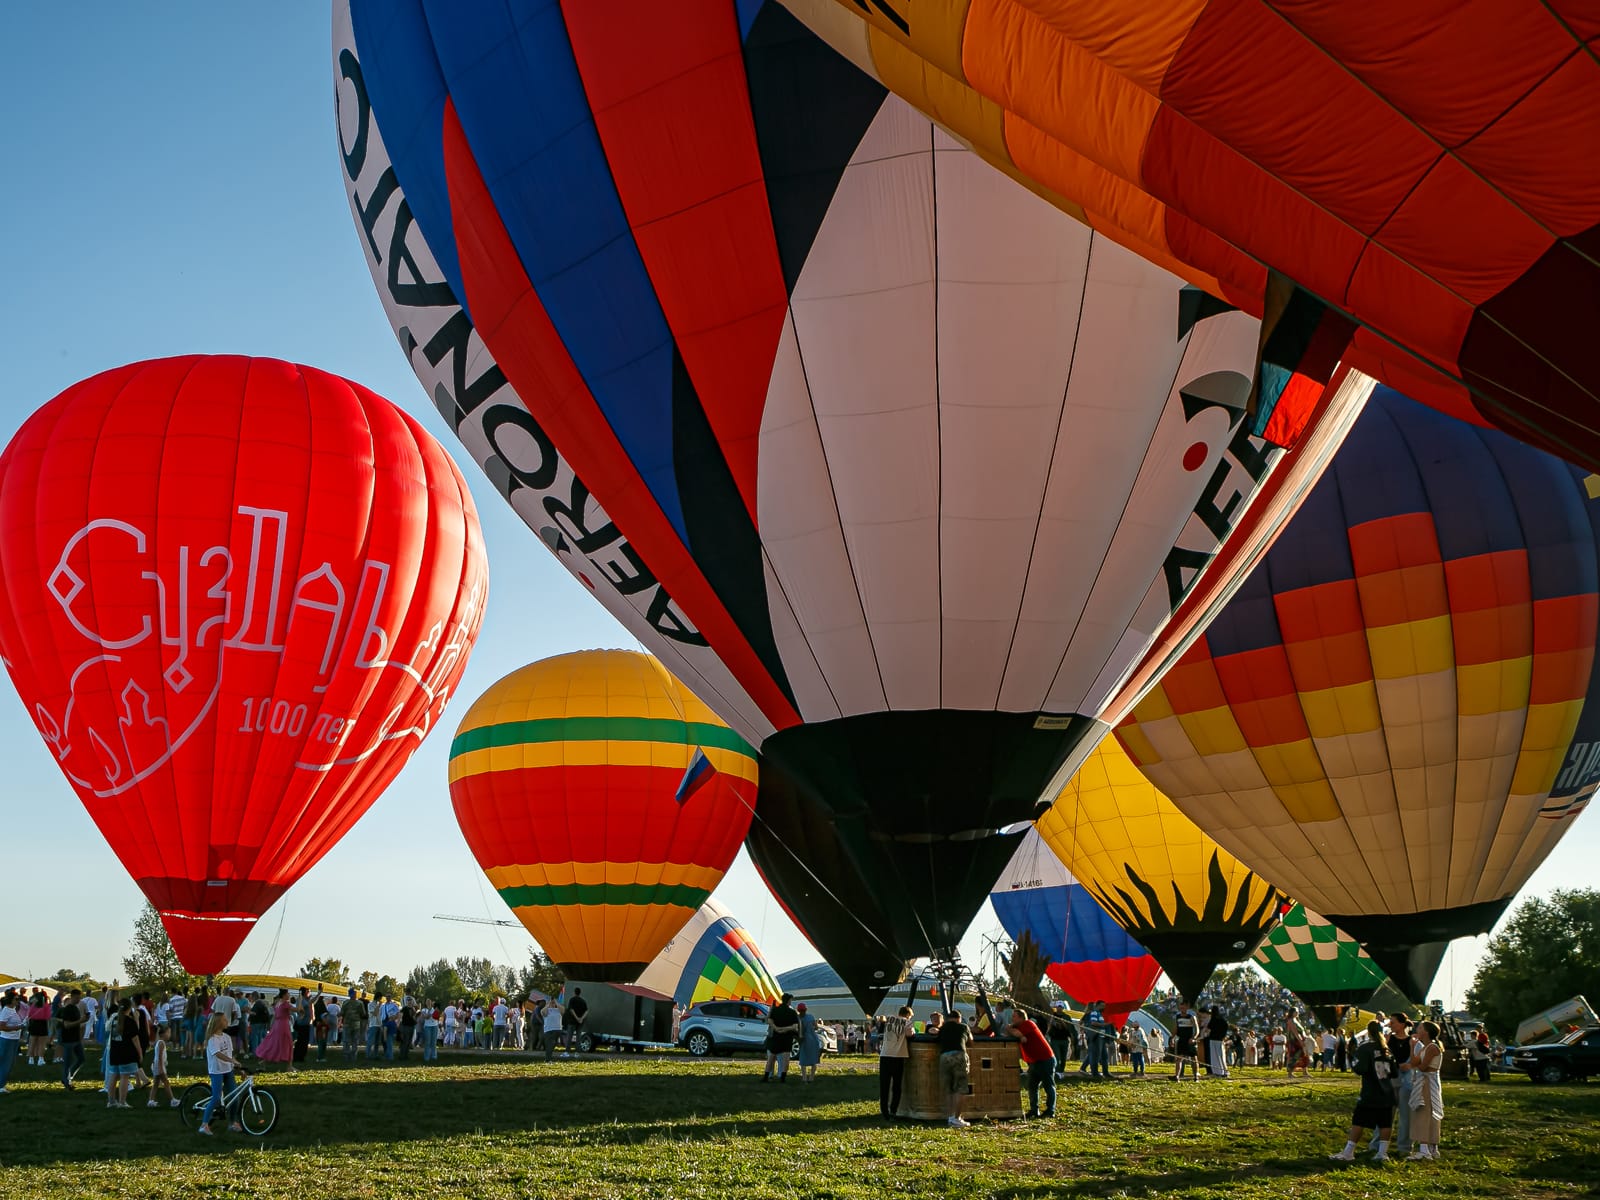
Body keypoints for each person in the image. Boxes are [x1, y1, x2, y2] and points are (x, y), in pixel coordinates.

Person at [1330, 1021, 1396, 1162]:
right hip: (1386, 1091)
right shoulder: (1386, 1049)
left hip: (1370, 1091)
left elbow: (1360, 1068)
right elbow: (1394, 1072)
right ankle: (1382, 1153)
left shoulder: (1366, 1048)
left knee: (1358, 1121)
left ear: (1369, 1032)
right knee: (1385, 1123)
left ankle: (1349, 1152)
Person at [1405, 1020, 1445, 1161]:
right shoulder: (1425, 1047)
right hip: (1424, 1081)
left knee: (1425, 1112)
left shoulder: (1432, 1047)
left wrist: (1414, 1066)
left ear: (1426, 1032)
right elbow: (1414, 1062)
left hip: (1428, 1082)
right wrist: (1412, 1046)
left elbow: (1422, 1067)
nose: (1417, 1029)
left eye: (1420, 1027)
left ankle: (1425, 1149)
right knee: (1423, 1112)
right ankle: (1429, 1148)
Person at [197, 1012, 242, 1136]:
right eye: (224, 1020)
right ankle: (204, 1124)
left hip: (228, 1070)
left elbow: (229, 1055)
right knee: (216, 1097)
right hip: (216, 1071)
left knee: (234, 1097)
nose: (227, 1021)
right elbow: (218, 1054)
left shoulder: (226, 1037)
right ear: (218, 1023)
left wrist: (238, 1065)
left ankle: (233, 1122)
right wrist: (231, 1060)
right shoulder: (212, 1039)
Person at [1009, 1008, 1056, 1119]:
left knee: (1048, 1086)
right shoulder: (1020, 1027)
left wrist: (1016, 1033)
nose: (1012, 1018)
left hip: (1045, 1059)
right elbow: (1015, 1033)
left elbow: (1016, 1033)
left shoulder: (1028, 1024)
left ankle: (1050, 1111)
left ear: (1021, 1017)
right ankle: (1034, 1110)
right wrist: (1018, 1034)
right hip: (1034, 1061)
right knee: (1032, 1086)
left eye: (1014, 1016)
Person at [1386, 1013, 1417, 1157]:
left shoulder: (1412, 1041)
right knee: (1386, 1113)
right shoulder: (1388, 1039)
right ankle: (1378, 1144)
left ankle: (1404, 1146)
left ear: (1402, 1024)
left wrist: (1410, 1064)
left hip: (1406, 1078)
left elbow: (1418, 1060)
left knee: (1405, 1114)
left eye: (1393, 1022)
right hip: (1391, 1076)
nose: (1390, 1025)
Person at [936, 1009, 973, 1128]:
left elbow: (938, 1040)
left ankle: (950, 1116)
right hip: (959, 1055)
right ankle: (957, 1118)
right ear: (959, 1018)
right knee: (960, 1088)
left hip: (944, 1057)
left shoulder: (943, 1028)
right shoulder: (963, 1027)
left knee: (948, 1088)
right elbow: (971, 1042)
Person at [104, 998, 143, 1109]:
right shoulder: (130, 1021)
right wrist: (139, 1053)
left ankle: (111, 1101)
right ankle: (122, 1102)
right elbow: (135, 1039)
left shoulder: (115, 1019)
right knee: (124, 1077)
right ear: (129, 1008)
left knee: (113, 1076)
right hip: (126, 1052)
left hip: (115, 1051)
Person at [878, 1004, 913, 1119]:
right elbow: (910, 1034)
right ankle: (893, 1109)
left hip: (885, 1055)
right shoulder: (907, 1022)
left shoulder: (889, 1018)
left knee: (884, 1085)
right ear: (908, 1015)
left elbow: (880, 1026)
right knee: (897, 1085)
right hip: (899, 1055)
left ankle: (884, 1111)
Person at [255, 989, 296, 1070]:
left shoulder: (278, 1003)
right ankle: (289, 1066)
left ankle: (264, 1062)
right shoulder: (285, 1004)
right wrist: (301, 1000)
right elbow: (297, 1009)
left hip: (277, 1025)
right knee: (288, 1044)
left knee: (274, 1044)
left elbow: (275, 1016)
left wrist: (271, 1025)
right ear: (284, 995)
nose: (289, 995)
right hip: (283, 1026)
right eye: (288, 994)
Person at [764, 993, 801, 1082]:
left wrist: (777, 1028)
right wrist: (785, 1029)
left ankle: (766, 1076)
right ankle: (783, 1077)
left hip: (776, 1036)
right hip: (787, 1037)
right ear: (789, 1001)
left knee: (771, 1057)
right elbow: (795, 1026)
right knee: (786, 1058)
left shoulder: (775, 1010)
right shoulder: (792, 1012)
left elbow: (769, 1020)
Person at [57, 988, 86, 1090]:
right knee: (67, 1062)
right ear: (72, 997)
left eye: (80, 997)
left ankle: (69, 1076)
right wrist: (80, 1021)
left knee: (81, 1058)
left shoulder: (75, 1008)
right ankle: (66, 1080)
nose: (79, 1000)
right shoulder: (68, 1009)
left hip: (76, 1038)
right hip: (68, 1039)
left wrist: (84, 1019)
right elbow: (67, 1025)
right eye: (77, 997)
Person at [147, 1020, 178, 1108]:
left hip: (157, 1065)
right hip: (159, 1066)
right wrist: (161, 1068)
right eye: (168, 1032)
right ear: (163, 1034)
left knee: (156, 1084)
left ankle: (151, 1100)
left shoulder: (159, 1042)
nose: (169, 1034)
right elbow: (160, 1057)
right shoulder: (161, 1043)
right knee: (166, 1083)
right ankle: (172, 1100)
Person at [0, 990, 26, 1094]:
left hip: (13, 1040)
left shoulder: (13, 1009)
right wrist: (18, 1027)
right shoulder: (6, 1010)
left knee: (10, 1063)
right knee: (6, 1063)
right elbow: (1, 1027)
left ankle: (2, 1084)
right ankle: (0, 1086)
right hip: (7, 1040)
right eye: (16, 999)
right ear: (10, 1000)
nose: (18, 1001)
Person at [1081, 1001, 1113, 1079]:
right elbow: (1093, 1023)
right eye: (1102, 1006)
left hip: (1101, 1037)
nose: (1103, 1008)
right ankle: (1095, 1073)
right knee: (1095, 1056)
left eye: (1104, 1006)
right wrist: (1105, 1025)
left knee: (1104, 1056)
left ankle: (1105, 1072)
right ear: (1097, 1005)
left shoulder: (1099, 1014)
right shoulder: (1094, 1013)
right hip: (1096, 1037)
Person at [1171, 998, 1198, 1081]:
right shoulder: (1178, 1017)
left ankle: (1195, 1076)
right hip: (1181, 1040)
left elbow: (1197, 1029)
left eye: (1183, 1007)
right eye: (1181, 1007)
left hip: (1189, 1040)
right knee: (1179, 1059)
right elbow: (1176, 1028)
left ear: (1187, 1007)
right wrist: (1172, 1038)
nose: (1182, 1009)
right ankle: (1177, 1076)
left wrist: (1193, 1038)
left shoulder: (1191, 1017)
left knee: (1194, 1059)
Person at [796, 1002, 822, 1082]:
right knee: (813, 1059)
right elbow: (816, 1027)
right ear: (806, 1010)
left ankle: (804, 1078)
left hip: (804, 1039)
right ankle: (811, 1077)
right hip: (814, 1039)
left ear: (798, 1010)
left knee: (803, 1059)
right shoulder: (811, 1017)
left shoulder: (798, 1018)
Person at [340, 989, 367, 1062]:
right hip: (356, 1024)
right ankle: (354, 1056)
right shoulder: (360, 1003)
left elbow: (342, 1013)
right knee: (355, 1041)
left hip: (347, 1024)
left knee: (346, 1041)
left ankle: (346, 1056)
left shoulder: (345, 1003)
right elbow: (363, 1013)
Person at [1207, 1006, 1231, 1078]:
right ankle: (1224, 1071)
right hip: (1220, 1039)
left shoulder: (1213, 1019)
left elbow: (1209, 1027)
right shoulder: (1223, 1019)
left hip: (1213, 1039)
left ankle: (1218, 1071)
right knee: (1221, 1055)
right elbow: (1226, 1026)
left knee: (1214, 1056)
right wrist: (1223, 1036)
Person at [565, 988, 588, 1052]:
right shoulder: (583, 1001)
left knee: (569, 1036)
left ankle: (567, 1051)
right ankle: (577, 1051)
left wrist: (576, 1018)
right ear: (580, 993)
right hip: (580, 1022)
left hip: (572, 1021)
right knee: (578, 1036)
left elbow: (571, 1010)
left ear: (574, 992)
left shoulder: (572, 1000)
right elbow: (586, 1011)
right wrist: (581, 1018)